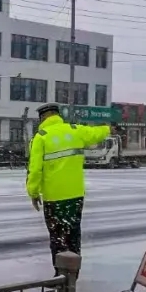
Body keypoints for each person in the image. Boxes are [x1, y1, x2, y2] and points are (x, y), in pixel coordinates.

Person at [26, 103, 116, 270]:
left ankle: (61, 275)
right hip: (75, 195)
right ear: (58, 115)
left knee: (57, 237)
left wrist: (33, 192)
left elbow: (35, 169)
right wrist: (108, 129)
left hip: (54, 198)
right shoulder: (76, 130)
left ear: (43, 118)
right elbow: (95, 133)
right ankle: (73, 273)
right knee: (73, 235)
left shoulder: (41, 136)